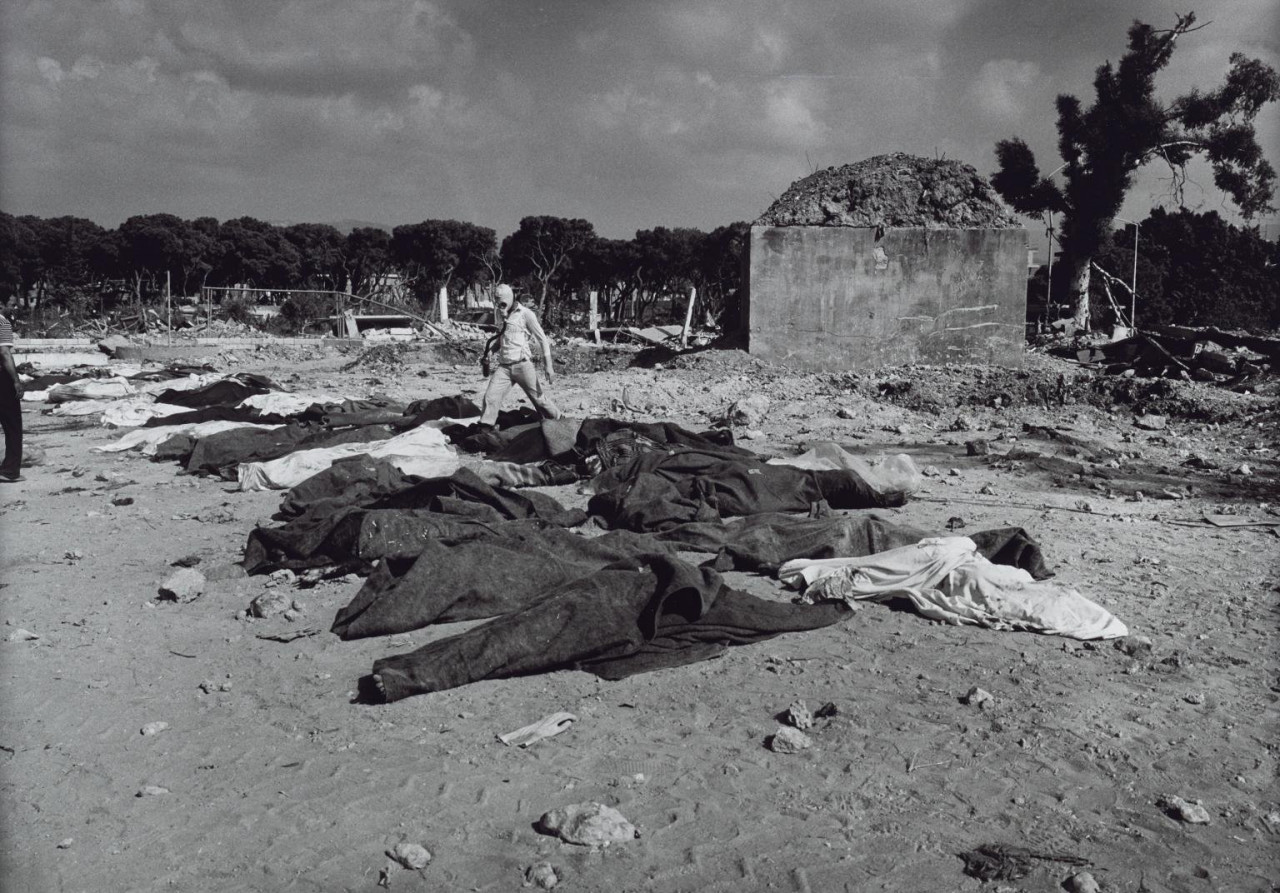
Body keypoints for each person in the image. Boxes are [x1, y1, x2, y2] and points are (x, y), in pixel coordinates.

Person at [478, 284, 561, 427]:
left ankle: (560, 420)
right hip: (504, 367)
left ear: (509, 298)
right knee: (490, 398)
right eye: (497, 302)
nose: (499, 306)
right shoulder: (501, 314)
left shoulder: (525, 314)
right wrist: (490, 352)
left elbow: (542, 339)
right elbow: (501, 337)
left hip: (522, 365)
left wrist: (549, 366)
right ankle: (485, 428)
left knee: (539, 400)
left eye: (502, 302)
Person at [0, 311, 23, 482]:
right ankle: (10, 470)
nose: (14, 308)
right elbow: (4, 353)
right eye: (12, 304)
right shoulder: (2, 322)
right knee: (13, 425)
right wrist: (16, 381)